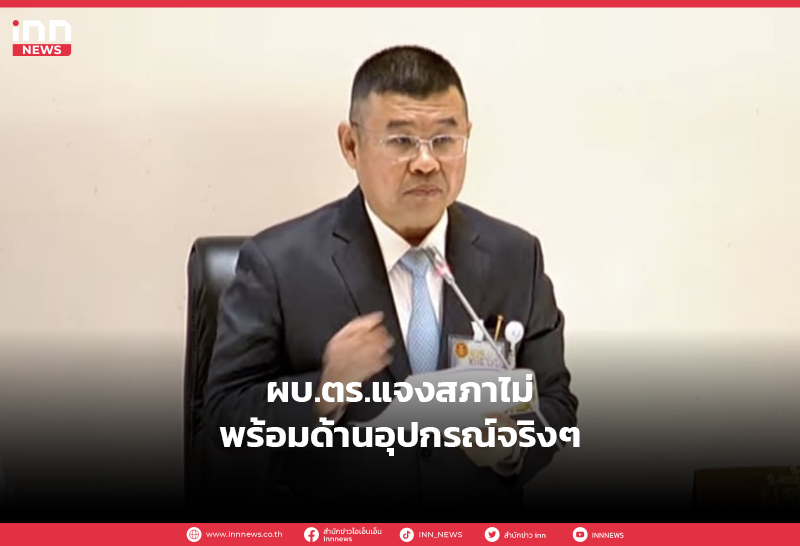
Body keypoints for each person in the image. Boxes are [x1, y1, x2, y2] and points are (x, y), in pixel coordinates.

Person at [202, 45, 577, 520]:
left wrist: (511, 446)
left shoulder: (515, 256)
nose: (426, 162)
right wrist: (324, 391)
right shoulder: (278, 263)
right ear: (351, 145)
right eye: (401, 141)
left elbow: (555, 406)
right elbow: (222, 423)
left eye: (445, 140)